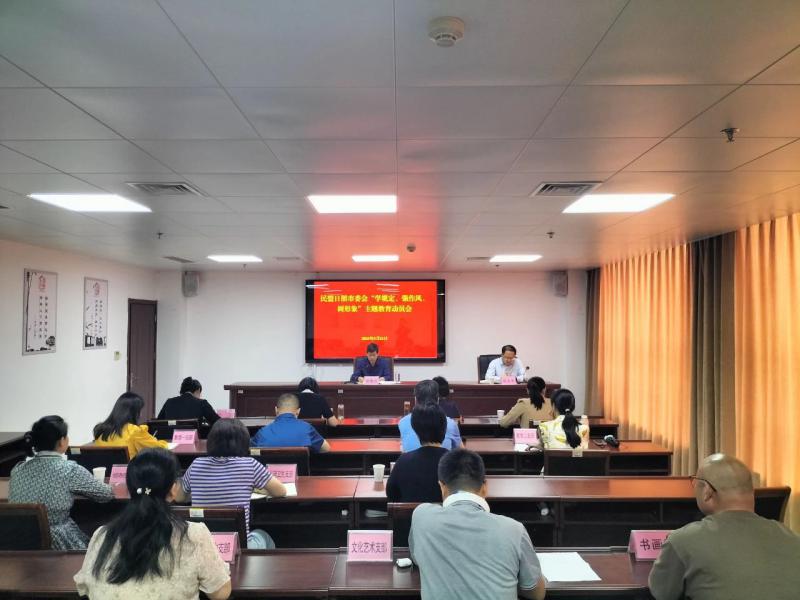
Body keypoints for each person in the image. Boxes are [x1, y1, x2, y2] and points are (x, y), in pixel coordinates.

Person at [74, 448, 231, 600]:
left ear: (130, 488)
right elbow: (220, 593)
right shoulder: (194, 535)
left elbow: (84, 587)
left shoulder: (102, 535)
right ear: (173, 490)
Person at [648, 454, 800, 600]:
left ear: (707, 491)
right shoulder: (793, 538)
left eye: (695, 482)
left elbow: (661, 592)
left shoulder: (682, 541)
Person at [409, 449, 546, 600]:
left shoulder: (421, 516)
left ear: (442, 486)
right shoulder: (514, 529)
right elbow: (537, 593)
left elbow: (417, 558)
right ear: (485, 487)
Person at [9, 415, 114, 550]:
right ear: (62, 441)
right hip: (57, 541)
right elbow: (105, 494)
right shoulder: (69, 470)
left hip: (18, 540)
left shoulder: (17, 469)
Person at [180, 419, 286, 549]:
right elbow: (281, 491)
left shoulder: (197, 464)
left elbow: (180, 497)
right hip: (239, 546)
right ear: (244, 442)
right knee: (263, 535)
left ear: (211, 441)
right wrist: (258, 489)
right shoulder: (250, 464)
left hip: (202, 545)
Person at [387, 403, 449, 503]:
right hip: (447, 513)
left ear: (416, 430)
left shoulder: (403, 461)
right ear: (444, 428)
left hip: (410, 514)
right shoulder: (456, 461)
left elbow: (391, 494)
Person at [93, 392, 169, 458]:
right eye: (139, 411)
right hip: (130, 469)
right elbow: (158, 447)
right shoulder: (133, 431)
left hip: (106, 470)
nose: (141, 415)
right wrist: (164, 443)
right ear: (133, 412)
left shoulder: (101, 429)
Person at [251, 393, 331, 452]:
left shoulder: (262, 433)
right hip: (301, 470)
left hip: (269, 471)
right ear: (298, 411)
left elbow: (250, 451)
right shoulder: (307, 429)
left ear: (276, 410)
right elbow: (326, 448)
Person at [398, 380, 463, 452]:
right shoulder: (451, 424)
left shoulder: (402, 422)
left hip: (411, 459)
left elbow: (404, 449)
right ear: (437, 399)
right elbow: (462, 453)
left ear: (415, 399)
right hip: (443, 459)